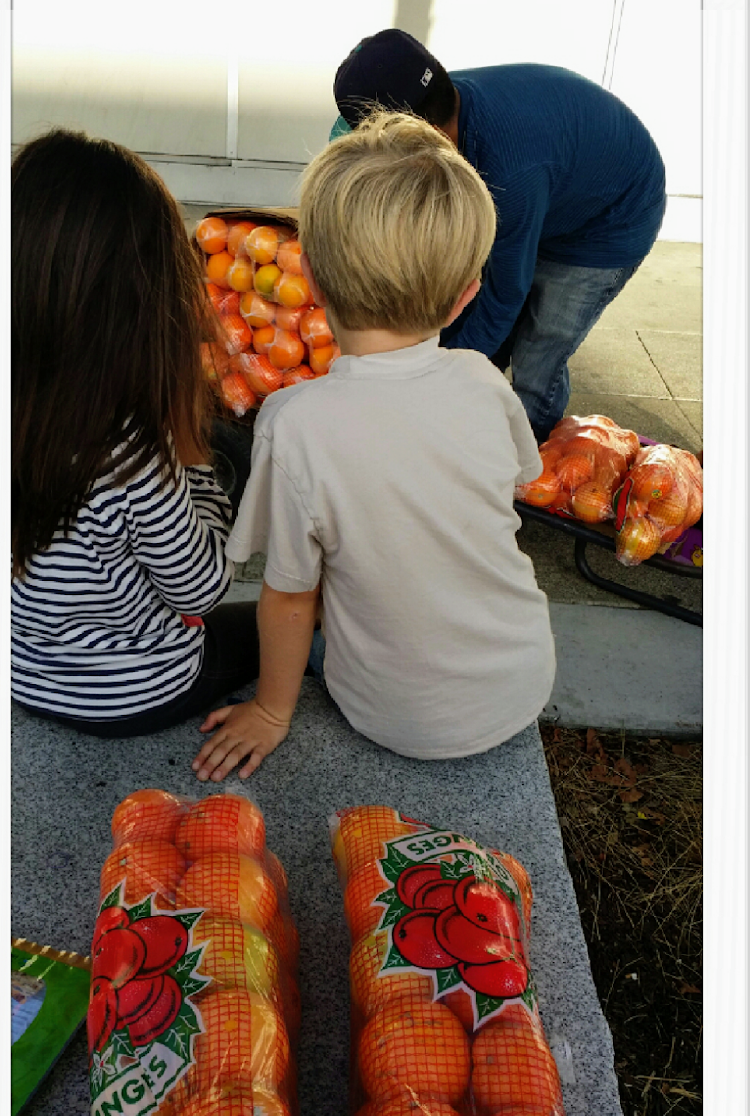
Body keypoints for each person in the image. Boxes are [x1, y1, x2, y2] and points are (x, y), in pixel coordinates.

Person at [191, 109, 555, 783]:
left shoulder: (294, 420)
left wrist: (272, 712)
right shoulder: (482, 381)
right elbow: (507, 488)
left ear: (316, 287)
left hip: (390, 713)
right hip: (522, 678)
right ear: (464, 298)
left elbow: (291, 595)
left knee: (316, 556)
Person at [11, 128, 259, 736]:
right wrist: (194, 461)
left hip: (18, 670)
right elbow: (200, 589)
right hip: (133, 692)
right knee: (285, 619)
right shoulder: (128, 449)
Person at [330, 29, 667, 442]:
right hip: (559, 179)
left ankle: (527, 458)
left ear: (422, 131)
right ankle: (474, 412)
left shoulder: (509, 173)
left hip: (612, 217)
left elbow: (505, 293)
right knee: (483, 315)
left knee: (538, 348)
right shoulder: (442, 105)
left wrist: (427, 370)